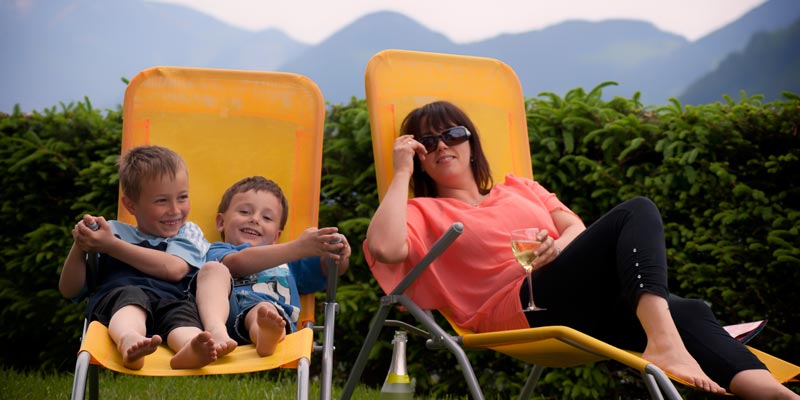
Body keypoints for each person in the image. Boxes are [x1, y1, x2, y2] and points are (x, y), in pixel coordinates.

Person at [364, 100, 799, 399]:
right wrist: (401, 170)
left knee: (689, 309)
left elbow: (573, 227)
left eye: (453, 133)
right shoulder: (421, 209)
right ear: (420, 157)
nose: (442, 145)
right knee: (637, 211)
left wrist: (557, 249)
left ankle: (762, 389)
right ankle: (664, 343)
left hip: (567, 292)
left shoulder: (519, 187)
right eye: (427, 142)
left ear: (471, 141)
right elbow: (385, 248)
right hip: (519, 306)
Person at [59, 145, 217, 370]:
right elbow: (69, 290)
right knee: (131, 298)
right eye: (161, 201)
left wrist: (111, 246)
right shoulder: (111, 232)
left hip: (172, 301)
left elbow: (174, 269)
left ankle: (190, 347)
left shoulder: (187, 233)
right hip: (121, 303)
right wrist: (81, 245)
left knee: (183, 314)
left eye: (182, 197)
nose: (175, 210)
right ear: (131, 205)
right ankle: (129, 340)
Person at [195, 176, 351, 357]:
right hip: (228, 319)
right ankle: (264, 334)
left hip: (277, 321)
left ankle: (265, 336)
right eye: (245, 212)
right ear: (221, 222)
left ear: (277, 235)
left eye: (267, 217)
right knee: (261, 308)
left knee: (266, 310)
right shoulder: (217, 250)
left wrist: (338, 253)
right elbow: (237, 264)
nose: (255, 219)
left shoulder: (291, 261)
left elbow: (330, 269)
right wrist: (297, 247)